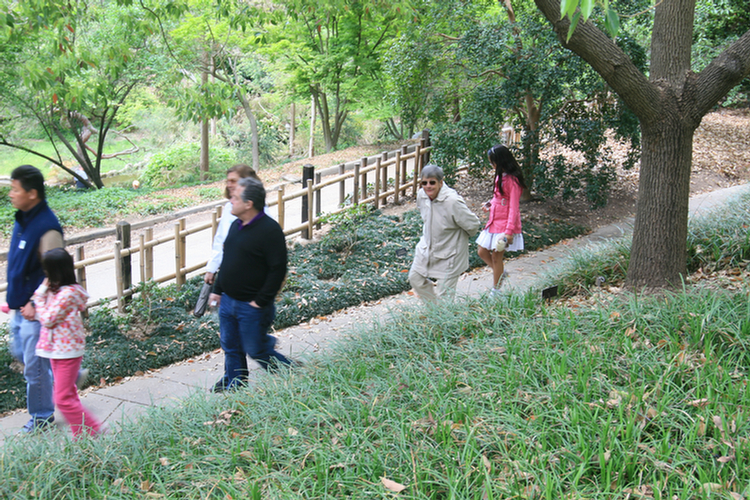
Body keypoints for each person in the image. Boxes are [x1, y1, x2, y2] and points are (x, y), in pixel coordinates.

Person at [209, 177, 292, 391]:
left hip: (252, 305)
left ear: (249, 204)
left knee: (256, 350)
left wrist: (260, 301)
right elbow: (228, 260)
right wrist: (217, 290)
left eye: (235, 198)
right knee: (231, 346)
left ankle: (292, 375)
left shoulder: (269, 231)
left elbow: (278, 269)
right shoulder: (236, 225)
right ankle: (235, 383)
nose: (231, 202)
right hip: (228, 301)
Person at [6, 165, 63, 433]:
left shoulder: (47, 228)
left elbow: (56, 274)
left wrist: (34, 303)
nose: (10, 194)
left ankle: (42, 417)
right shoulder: (22, 220)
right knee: (23, 355)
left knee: (34, 368)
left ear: (32, 193)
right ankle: (64, 378)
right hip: (19, 308)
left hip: (35, 311)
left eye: (15, 189)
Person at [33, 248, 104, 439]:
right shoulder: (61, 291)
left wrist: (39, 296)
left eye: (47, 271)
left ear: (55, 271)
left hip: (67, 352)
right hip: (58, 350)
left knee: (62, 399)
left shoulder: (67, 294)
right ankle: (81, 434)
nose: (45, 275)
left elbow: (48, 318)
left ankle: (93, 428)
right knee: (68, 394)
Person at [409, 164, 480, 302]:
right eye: (424, 182)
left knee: (444, 297)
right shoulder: (421, 195)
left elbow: (473, 225)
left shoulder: (452, 201)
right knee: (415, 278)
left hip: (450, 254)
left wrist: (457, 238)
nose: (428, 186)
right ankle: (434, 311)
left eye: (432, 182)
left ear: (441, 183)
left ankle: (440, 317)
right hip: (426, 249)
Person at [476, 144, 527, 293]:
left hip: (505, 225)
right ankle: (500, 273)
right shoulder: (500, 175)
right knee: (481, 251)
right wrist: (490, 203)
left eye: (492, 162)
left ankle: (496, 292)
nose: (491, 165)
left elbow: (514, 207)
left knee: (497, 257)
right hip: (494, 220)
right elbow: (498, 196)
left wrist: (509, 231)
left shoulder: (513, 181)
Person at [204, 164, 260, 286]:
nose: (229, 185)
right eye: (227, 181)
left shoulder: (261, 213)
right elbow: (220, 239)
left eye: (233, 181)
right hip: (230, 278)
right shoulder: (230, 207)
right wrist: (212, 268)